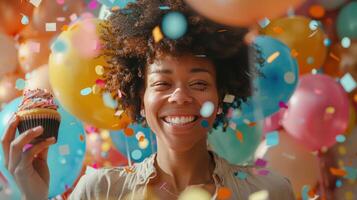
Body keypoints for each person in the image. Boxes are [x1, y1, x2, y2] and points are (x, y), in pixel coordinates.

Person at [1, 0, 295, 199]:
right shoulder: (102, 191)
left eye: (199, 83)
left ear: (220, 97)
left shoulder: (270, 190)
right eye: (162, 83)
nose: (180, 95)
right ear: (139, 98)